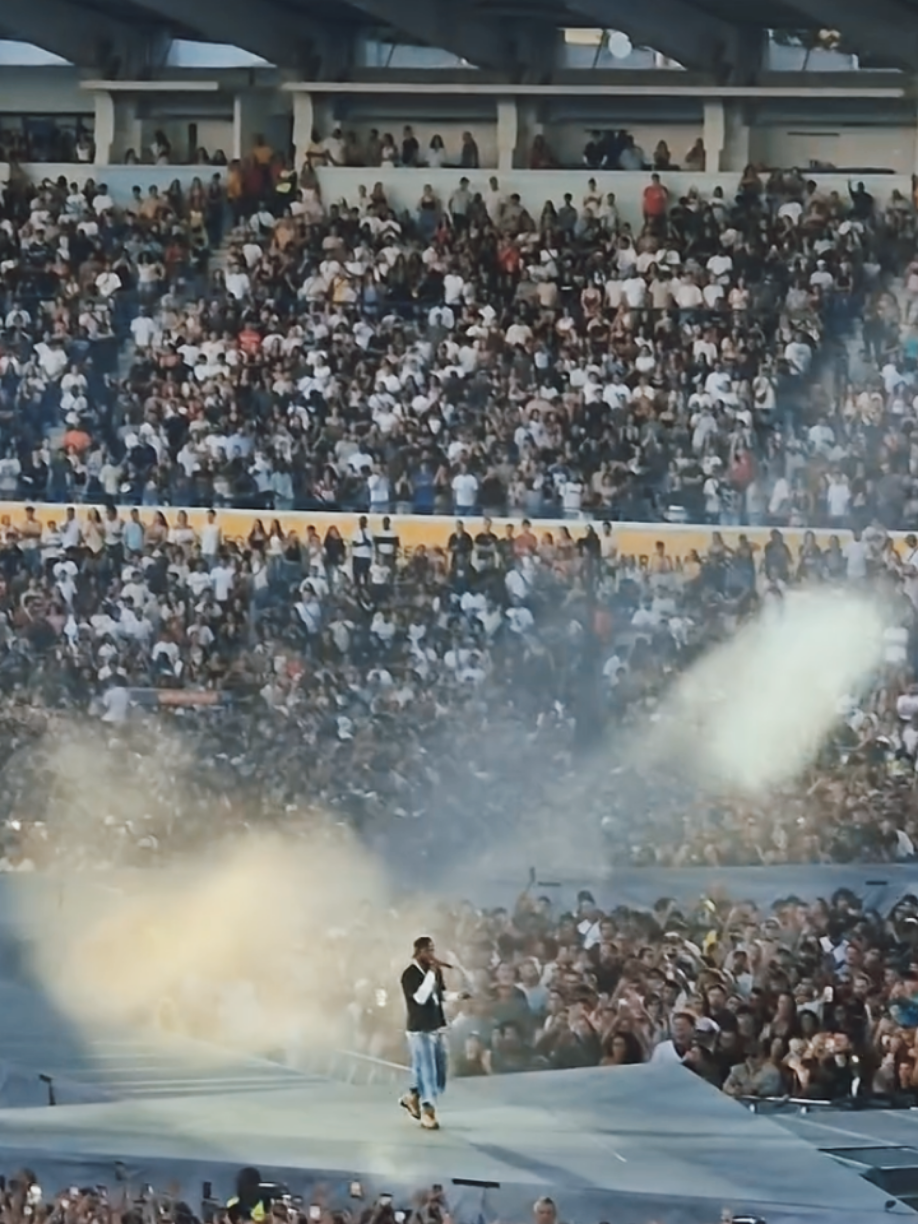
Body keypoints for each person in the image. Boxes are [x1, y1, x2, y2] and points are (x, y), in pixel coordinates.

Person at [400, 935, 452, 1130]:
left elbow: (440, 995)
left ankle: (412, 1095)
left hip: (436, 1026)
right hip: (419, 1029)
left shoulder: (435, 972)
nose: (431, 954)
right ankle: (427, 1110)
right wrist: (431, 972)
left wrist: (458, 996)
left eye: (433, 949)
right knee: (427, 1070)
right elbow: (421, 998)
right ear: (418, 951)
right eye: (428, 950)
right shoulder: (409, 974)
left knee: (439, 1071)